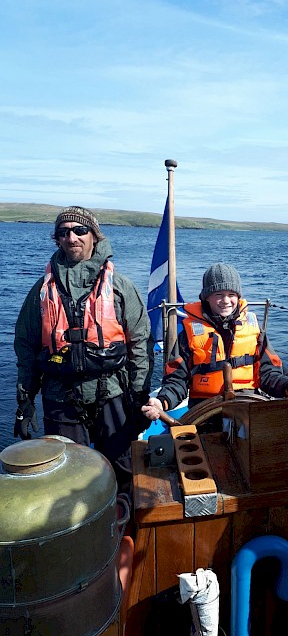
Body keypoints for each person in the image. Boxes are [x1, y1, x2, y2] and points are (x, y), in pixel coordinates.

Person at [14, 206, 153, 490]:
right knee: (66, 480)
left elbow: (141, 344)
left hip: (112, 395)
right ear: (57, 239)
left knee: (123, 471)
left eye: (79, 230)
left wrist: (139, 397)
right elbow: (26, 348)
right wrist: (25, 403)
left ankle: (123, 527)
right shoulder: (42, 291)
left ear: (94, 237)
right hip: (61, 398)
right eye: (64, 233)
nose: (72, 238)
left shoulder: (120, 287)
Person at [142, 263, 288, 425]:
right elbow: (177, 380)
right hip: (205, 414)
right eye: (218, 294)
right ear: (206, 298)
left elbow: (268, 374)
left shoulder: (254, 330)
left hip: (248, 410)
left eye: (231, 295)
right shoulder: (188, 334)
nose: (226, 301)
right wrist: (162, 401)